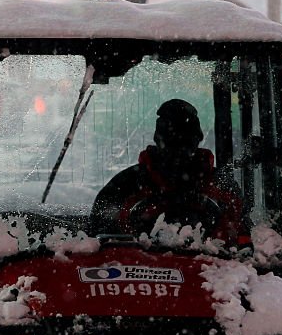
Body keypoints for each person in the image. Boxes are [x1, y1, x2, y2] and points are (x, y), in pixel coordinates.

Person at [90, 98, 249, 246]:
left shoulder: (222, 187)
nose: (178, 151)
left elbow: (246, 248)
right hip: (139, 271)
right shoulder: (125, 186)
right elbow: (100, 246)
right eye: (171, 141)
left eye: (185, 141)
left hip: (212, 273)